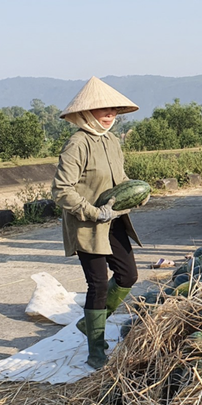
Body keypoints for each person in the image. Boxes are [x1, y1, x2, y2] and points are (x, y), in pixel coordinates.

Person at [51, 76, 146, 370]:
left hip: (114, 221)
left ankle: (91, 323)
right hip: (87, 225)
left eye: (114, 110)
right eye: (103, 110)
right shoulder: (77, 144)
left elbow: (120, 179)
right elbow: (61, 190)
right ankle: (95, 349)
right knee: (97, 286)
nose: (110, 116)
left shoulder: (111, 140)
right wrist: (92, 212)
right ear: (87, 113)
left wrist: (137, 194)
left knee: (128, 275)